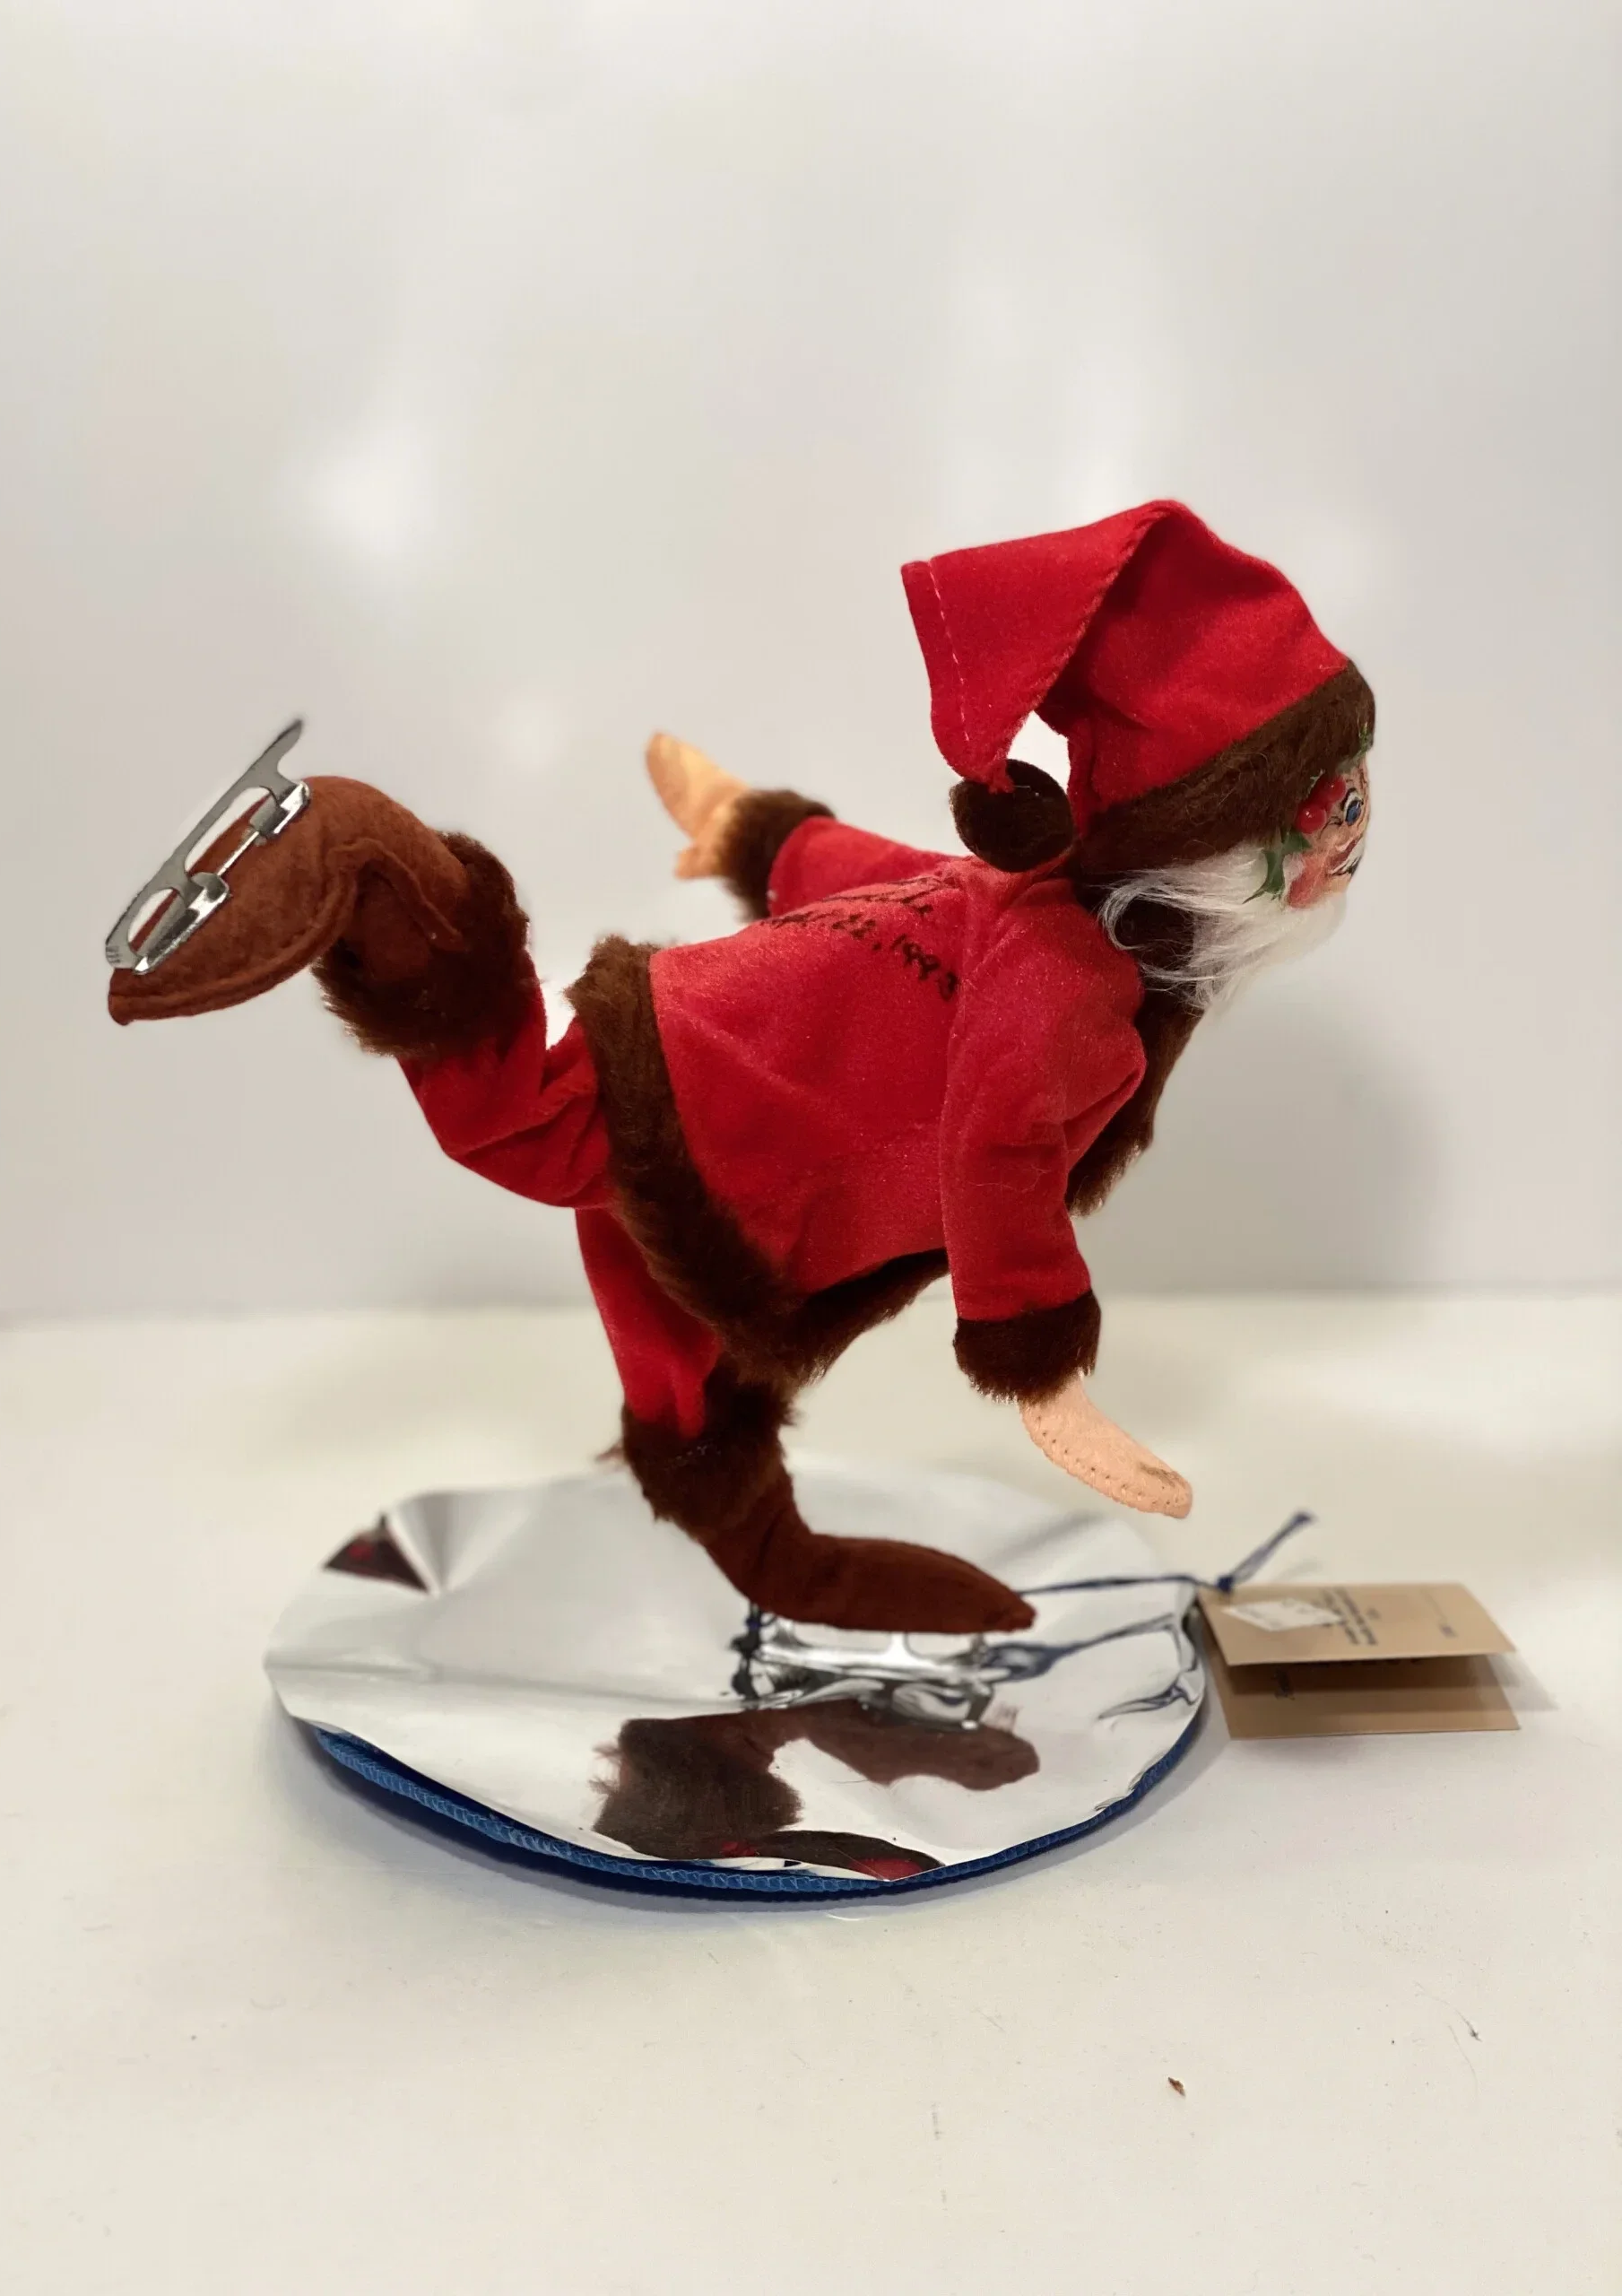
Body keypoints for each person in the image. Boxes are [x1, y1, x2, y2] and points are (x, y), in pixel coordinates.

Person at [109, 500, 1374, 1635]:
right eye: (1320, 822)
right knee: (522, 1120)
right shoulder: (1077, 989)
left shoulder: (1042, 898)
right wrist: (1044, 1370)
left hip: (706, 1071)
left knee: (680, 1373)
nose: (1343, 855)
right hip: (715, 1134)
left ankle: (765, 1549)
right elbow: (1000, 1147)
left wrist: (747, 831)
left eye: (1352, 801)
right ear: (1215, 846)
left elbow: (901, 881)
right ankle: (368, 865)